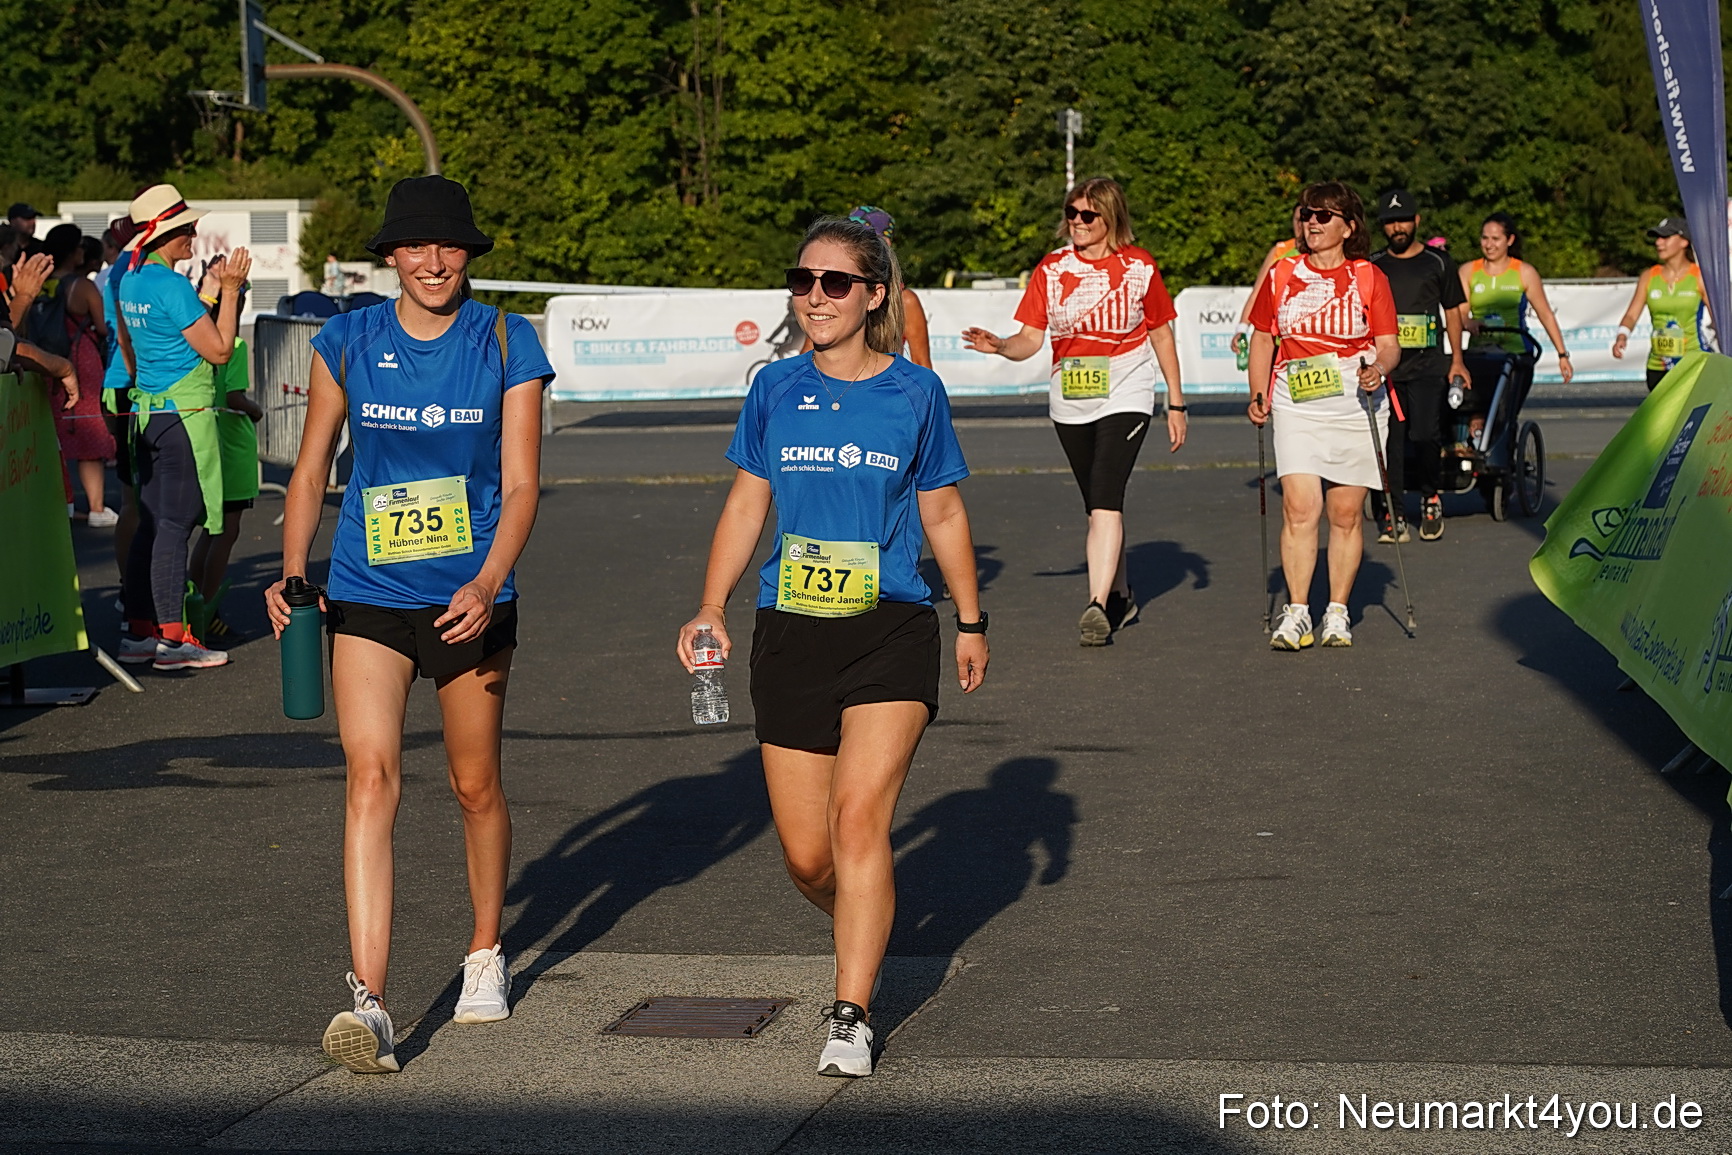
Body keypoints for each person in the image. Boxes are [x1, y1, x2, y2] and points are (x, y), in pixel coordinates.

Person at [676, 215, 987, 1078]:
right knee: (811, 855)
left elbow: (944, 511)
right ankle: (867, 911)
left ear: (874, 293)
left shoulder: (917, 392)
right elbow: (747, 504)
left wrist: (970, 616)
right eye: (803, 280)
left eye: (835, 282)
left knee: (859, 821)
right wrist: (711, 603)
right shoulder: (774, 387)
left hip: (889, 628)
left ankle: (850, 1009)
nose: (815, 296)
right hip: (789, 632)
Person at [264, 175, 554, 1075]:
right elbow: (311, 467)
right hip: (366, 590)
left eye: (450, 246)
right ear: (390, 255)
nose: (433, 263)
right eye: (416, 247)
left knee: (474, 786)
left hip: (471, 599)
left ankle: (482, 951)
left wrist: (490, 576)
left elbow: (522, 481)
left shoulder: (508, 338)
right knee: (369, 776)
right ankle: (371, 1001)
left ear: (469, 253)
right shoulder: (347, 340)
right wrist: (291, 571)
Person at [961, 176, 1186, 645]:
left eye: (1088, 215)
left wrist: (1176, 401)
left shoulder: (1138, 266)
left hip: (1127, 388)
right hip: (1071, 397)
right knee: (1098, 505)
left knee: (1105, 494)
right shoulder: (1051, 268)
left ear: (1110, 218)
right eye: (1072, 213)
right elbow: (1030, 339)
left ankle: (1097, 605)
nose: (1077, 223)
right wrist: (1001, 345)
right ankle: (1121, 595)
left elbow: (1162, 333)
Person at [1245, 181, 1400, 650]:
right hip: (1296, 402)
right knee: (1299, 506)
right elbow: (1263, 338)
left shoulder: (1370, 278)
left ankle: (1337, 611)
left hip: (1355, 403)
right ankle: (1296, 612)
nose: (1312, 222)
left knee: (1346, 513)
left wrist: (1378, 368)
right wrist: (1258, 392)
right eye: (1307, 214)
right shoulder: (1282, 273)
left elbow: (1390, 345)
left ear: (1348, 227)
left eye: (1324, 216)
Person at [114, 184, 251, 671]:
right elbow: (217, 349)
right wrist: (230, 292)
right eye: (186, 228)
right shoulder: (170, 285)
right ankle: (173, 640)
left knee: (152, 523)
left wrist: (211, 292)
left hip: (149, 413)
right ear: (164, 234)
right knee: (176, 525)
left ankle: (138, 632)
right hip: (184, 419)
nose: (194, 234)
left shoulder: (131, 279)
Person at [1369, 189, 1468, 543]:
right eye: (1390, 222)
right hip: (1388, 370)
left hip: (1429, 365)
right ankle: (1394, 512)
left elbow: (1454, 311)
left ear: (1417, 221)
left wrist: (1457, 360)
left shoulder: (1438, 263)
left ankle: (1430, 496)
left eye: (1403, 220)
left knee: (1425, 435)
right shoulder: (1373, 265)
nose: (1397, 227)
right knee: (1391, 443)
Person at [188, 270, 263, 638]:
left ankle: (192, 599)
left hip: (207, 439)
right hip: (231, 445)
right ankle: (205, 605)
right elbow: (234, 396)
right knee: (226, 530)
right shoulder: (232, 343)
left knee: (210, 529)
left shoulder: (197, 337)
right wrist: (256, 410)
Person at [1459, 212, 1573, 443]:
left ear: (1509, 240)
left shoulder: (1524, 272)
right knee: (1471, 409)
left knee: (1503, 413)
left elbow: (1545, 314)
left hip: (1515, 352)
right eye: (1484, 238)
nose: (1489, 245)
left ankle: (1505, 455)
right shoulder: (1469, 271)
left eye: (1495, 239)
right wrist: (1469, 323)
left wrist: (1562, 354)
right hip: (1481, 354)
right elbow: (1460, 312)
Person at [35, 223, 117, 525]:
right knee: (89, 434)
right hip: (80, 359)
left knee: (50, 435)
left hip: (45, 360)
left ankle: (57, 504)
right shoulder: (81, 286)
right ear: (73, 252)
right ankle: (96, 507)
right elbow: (102, 325)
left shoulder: (41, 283)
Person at [798, 206, 931, 367]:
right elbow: (807, 356)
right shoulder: (823, 297)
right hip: (831, 386)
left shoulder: (905, 300)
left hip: (884, 388)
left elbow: (921, 363)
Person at [1611, 216, 1713, 392]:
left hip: (1692, 363)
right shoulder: (1649, 276)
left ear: (1683, 242)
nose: (1659, 243)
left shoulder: (1699, 276)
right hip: (1658, 365)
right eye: (1657, 238)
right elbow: (1631, 314)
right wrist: (1622, 336)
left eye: (1665, 237)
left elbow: (1720, 318)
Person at [1233, 206, 1303, 360]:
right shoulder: (1280, 251)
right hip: (1280, 343)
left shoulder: (1328, 253)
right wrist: (1242, 329)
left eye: (1304, 220)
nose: (1300, 225)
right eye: (1297, 220)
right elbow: (1258, 293)